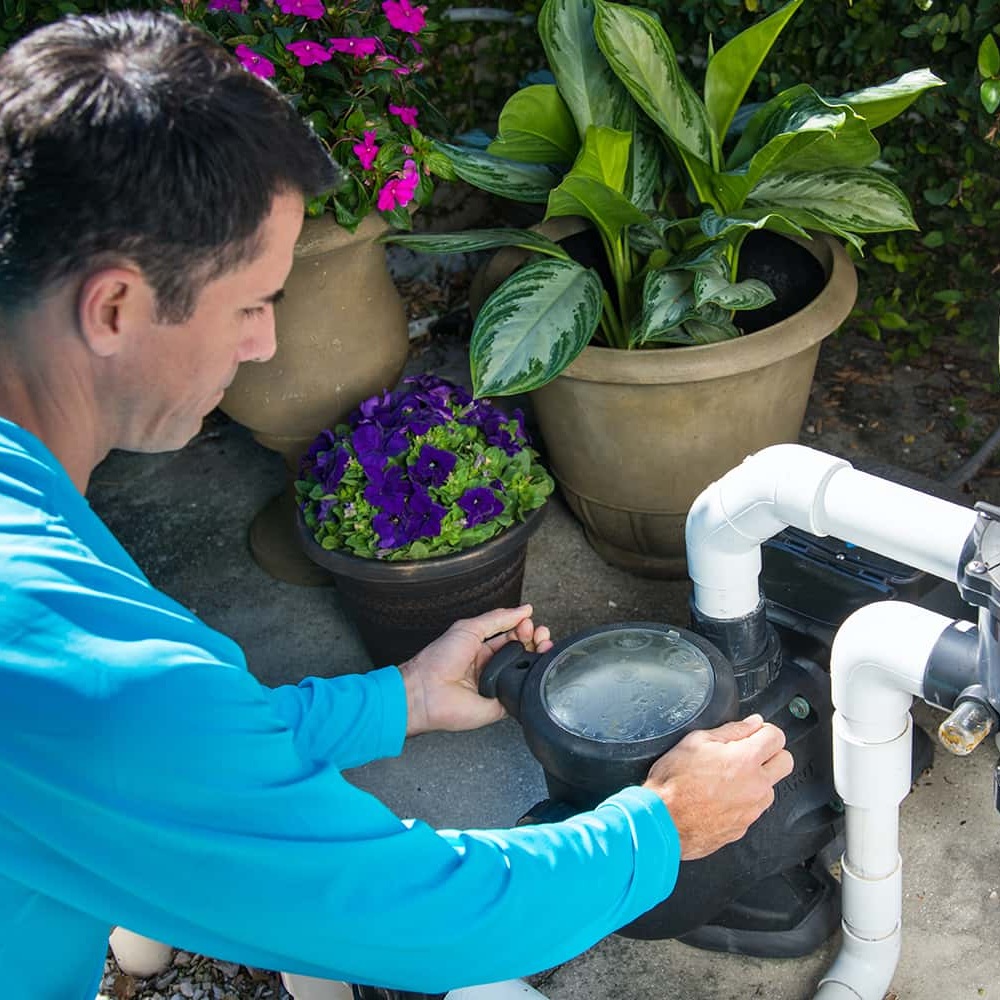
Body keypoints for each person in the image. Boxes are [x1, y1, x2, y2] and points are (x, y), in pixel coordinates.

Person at [0, 10, 794, 1000]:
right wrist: (659, 827)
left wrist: (394, 701)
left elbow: (151, 755)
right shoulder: (77, 659)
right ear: (115, 309)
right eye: (252, 303)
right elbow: (407, 915)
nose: (259, 344)